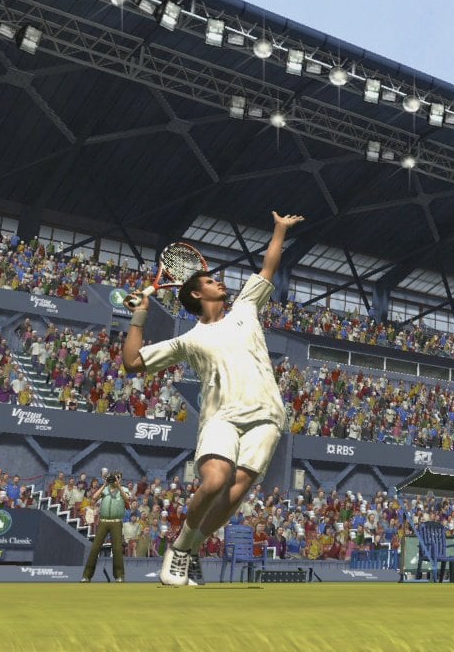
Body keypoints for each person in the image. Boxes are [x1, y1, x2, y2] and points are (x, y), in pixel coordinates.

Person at [124, 210, 304, 586]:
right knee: (215, 480)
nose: (218, 282)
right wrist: (139, 315)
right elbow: (133, 362)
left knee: (236, 491)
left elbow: (269, 267)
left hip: (267, 415)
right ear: (196, 293)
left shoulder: (245, 308)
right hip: (220, 417)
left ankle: (191, 549)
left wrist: (279, 230)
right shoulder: (189, 339)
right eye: (210, 280)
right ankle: (179, 549)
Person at [81, 471, 130, 582]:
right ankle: (86, 576)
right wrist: (104, 484)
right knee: (95, 548)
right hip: (103, 522)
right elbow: (94, 498)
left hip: (116, 522)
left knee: (117, 549)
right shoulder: (105, 489)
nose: (116, 480)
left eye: (118, 478)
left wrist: (119, 486)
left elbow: (127, 499)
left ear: (121, 479)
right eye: (114, 478)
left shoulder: (124, 489)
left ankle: (119, 576)